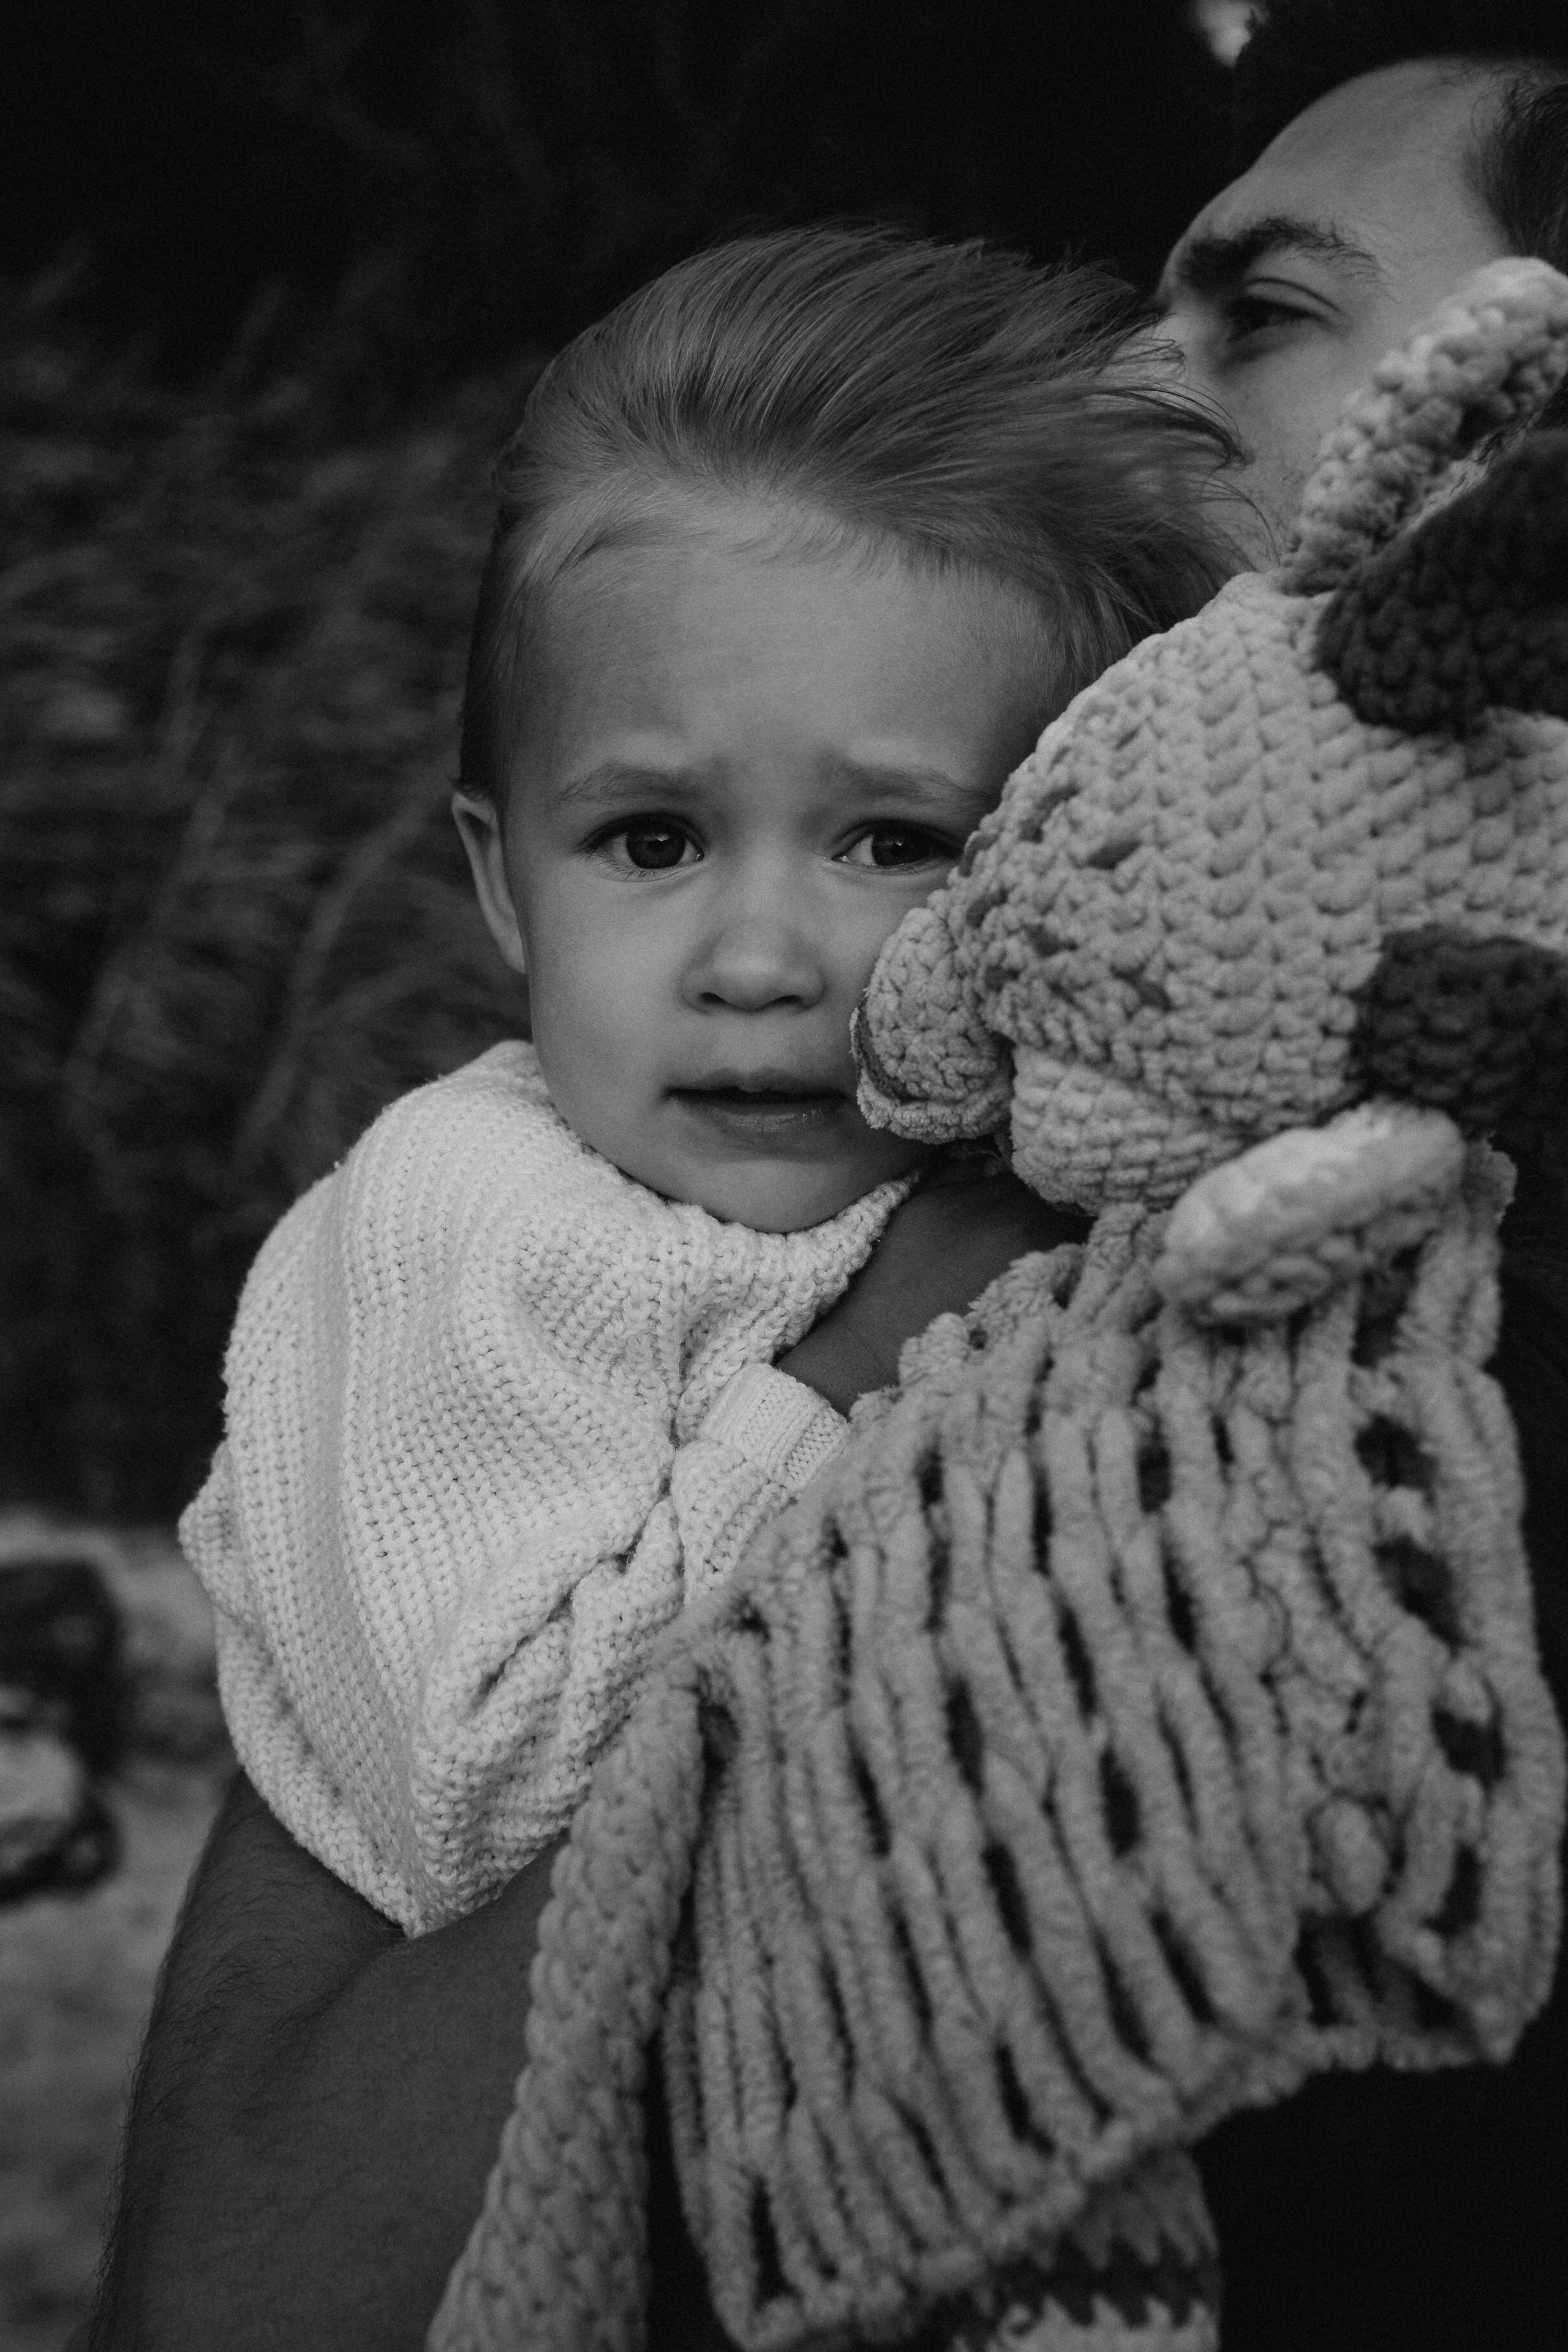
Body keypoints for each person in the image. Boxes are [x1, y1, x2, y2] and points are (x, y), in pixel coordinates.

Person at [85, 9, 1568, 2347]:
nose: (1136, 384)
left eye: (1264, 313)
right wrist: (910, 1337)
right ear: (504, 873)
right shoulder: (508, 1227)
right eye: (656, 839)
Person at [178, 225, 1233, 1940]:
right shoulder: (469, 1221)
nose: (758, 957)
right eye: (651, 839)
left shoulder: (1010, 1179)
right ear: (509, 881)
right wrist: (861, 1370)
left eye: (895, 840)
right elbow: (480, 1787)